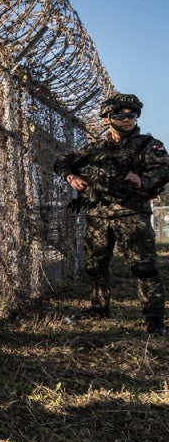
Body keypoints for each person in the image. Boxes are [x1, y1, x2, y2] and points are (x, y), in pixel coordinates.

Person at [54, 93, 169, 334]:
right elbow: (63, 161)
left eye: (132, 115)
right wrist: (71, 176)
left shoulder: (148, 145)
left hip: (132, 214)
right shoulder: (96, 148)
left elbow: (164, 171)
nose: (127, 119)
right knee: (95, 265)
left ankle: (154, 320)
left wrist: (143, 180)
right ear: (107, 119)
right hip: (98, 214)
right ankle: (99, 307)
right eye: (120, 115)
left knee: (144, 267)